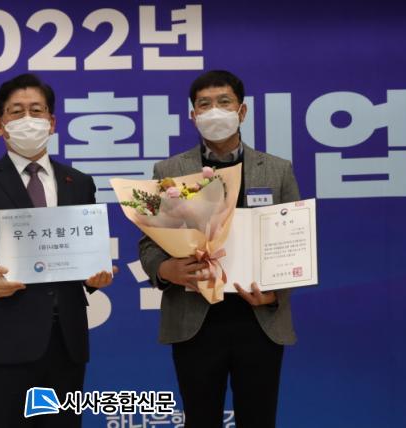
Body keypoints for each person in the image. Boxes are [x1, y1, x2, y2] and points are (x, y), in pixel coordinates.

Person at [0, 73, 115, 428]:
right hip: (4, 339)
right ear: (0, 126)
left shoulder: (78, 182)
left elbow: (81, 252)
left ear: (52, 122)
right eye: (17, 112)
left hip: (66, 342)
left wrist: (94, 276)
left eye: (37, 110)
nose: (28, 119)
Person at [138, 70, 300, 428]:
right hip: (195, 319)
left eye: (224, 102)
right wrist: (165, 269)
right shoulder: (169, 170)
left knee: (259, 420)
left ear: (242, 111)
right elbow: (150, 242)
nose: (214, 111)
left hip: (259, 318)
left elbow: (296, 242)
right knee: (200, 420)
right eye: (204, 104)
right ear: (193, 115)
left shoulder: (277, 170)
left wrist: (275, 293)